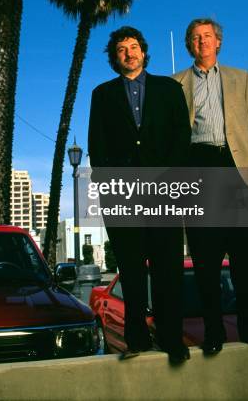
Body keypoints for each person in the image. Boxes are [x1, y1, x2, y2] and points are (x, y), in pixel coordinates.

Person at [88, 26, 191, 364]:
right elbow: (97, 147)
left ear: (144, 52)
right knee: (131, 271)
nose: (129, 53)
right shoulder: (102, 94)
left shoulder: (169, 89)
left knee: (167, 270)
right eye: (121, 48)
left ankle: (172, 339)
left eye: (134, 47)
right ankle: (135, 340)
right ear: (114, 57)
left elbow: (181, 138)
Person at [173, 18, 248, 356]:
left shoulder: (241, 78)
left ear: (218, 42)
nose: (202, 42)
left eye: (208, 36)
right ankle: (213, 333)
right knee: (206, 259)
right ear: (190, 45)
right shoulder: (176, 83)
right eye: (196, 38)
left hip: (241, 170)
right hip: (199, 168)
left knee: (247, 258)